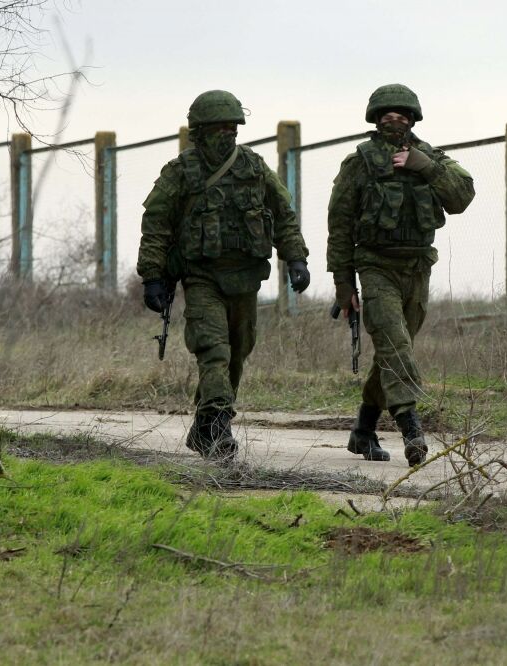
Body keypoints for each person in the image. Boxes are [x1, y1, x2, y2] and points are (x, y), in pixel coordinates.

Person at [137, 90, 310, 459]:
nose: (227, 134)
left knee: (238, 353)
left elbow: (283, 213)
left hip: (246, 277)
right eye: (219, 127)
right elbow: (156, 224)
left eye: (232, 127)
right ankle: (218, 429)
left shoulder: (254, 166)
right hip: (202, 277)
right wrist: (152, 276)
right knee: (214, 352)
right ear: (199, 131)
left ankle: (203, 428)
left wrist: (296, 258)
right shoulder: (180, 171)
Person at [327, 84, 475, 467]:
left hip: (417, 269)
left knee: (394, 351)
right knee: (396, 347)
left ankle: (363, 430)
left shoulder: (431, 158)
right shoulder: (359, 163)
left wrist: (423, 167)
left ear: (413, 119)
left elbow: (461, 197)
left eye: (401, 116)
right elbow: (340, 224)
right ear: (375, 120)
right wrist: (344, 284)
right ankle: (412, 429)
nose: (394, 122)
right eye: (386, 116)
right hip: (376, 267)